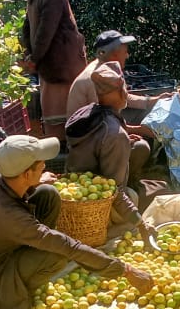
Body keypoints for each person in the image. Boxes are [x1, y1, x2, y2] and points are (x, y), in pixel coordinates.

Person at [0, 134, 153, 309]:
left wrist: (36, 181)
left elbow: (19, 189)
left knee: (48, 193)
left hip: (2, 243)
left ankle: (31, 257)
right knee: (59, 254)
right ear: (26, 174)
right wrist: (126, 270)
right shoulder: (10, 217)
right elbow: (68, 247)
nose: (45, 164)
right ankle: (20, 289)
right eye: (40, 164)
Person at [65, 62, 156, 239]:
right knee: (135, 196)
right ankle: (108, 228)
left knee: (139, 148)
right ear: (123, 92)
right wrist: (141, 225)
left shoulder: (88, 113)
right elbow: (114, 192)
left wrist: (124, 141)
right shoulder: (114, 135)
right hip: (93, 205)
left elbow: (95, 144)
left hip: (76, 190)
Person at [25, 0, 87, 142]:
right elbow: (45, 33)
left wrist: (31, 55)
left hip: (51, 68)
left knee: (56, 119)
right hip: (58, 70)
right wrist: (34, 58)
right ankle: (61, 162)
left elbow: (26, 28)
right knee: (62, 125)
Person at [65, 30, 170, 129]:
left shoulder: (107, 69)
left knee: (151, 110)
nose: (127, 55)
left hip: (100, 125)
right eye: (125, 52)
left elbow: (124, 98)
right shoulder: (97, 77)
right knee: (146, 133)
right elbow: (103, 118)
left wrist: (154, 100)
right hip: (88, 136)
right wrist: (136, 131)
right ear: (114, 54)